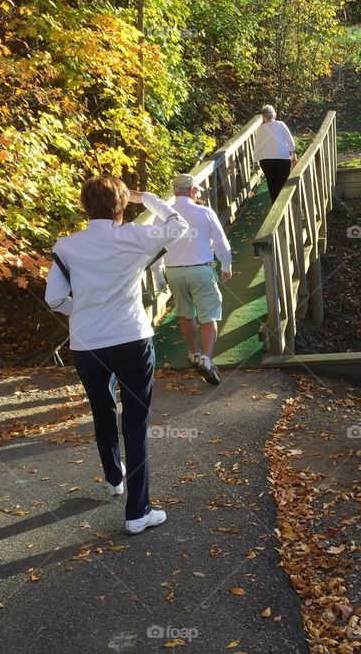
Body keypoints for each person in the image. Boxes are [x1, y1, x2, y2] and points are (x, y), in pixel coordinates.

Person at [45, 176, 188, 535]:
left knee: (101, 407)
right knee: (136, 423)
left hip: (87, 342)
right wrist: (150, 198)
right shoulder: (134, 237)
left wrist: (83, 308)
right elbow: (178, 224)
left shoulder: (66, 246)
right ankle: (137, 511)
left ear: (84, 205)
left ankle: (113, 478)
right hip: (130, 337)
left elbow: (54, 299)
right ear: (123, 206)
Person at [159, 173, 233, 385]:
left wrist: (159, 276)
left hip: (174, 270)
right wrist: (226, 266)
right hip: (200, 269)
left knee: (185, 313)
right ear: (192, 191)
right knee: (208, 315)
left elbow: (155, 246)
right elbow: (221, 243)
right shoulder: (204, 212)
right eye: (197, 191)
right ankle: (206, 359)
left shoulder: (162, 215)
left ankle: (193, 353)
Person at [254, 104, 297, 203]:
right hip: (282, 159)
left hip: (266, 160)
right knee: (283, 184)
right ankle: (285, 207)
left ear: (263, 117)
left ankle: (274, 207)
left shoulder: (260, 129)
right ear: (274, 115)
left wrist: (255, 161)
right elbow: (290, 140)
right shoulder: (281, 125)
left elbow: (257, 146)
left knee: (272, 184)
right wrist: (293, 154)